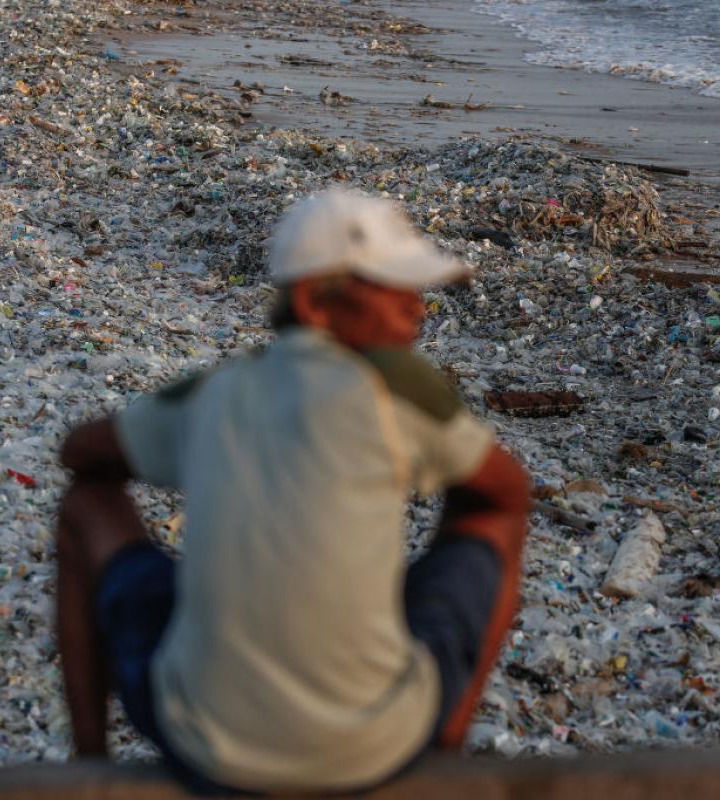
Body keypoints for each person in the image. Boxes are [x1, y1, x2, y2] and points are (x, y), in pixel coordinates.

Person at [54, 188, 530, 795]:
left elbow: (80, 453)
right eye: (395, 291)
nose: (416, 310)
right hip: (374, 749)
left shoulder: (217, 390)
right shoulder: (396, 384)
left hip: (200, 741)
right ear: (314, 302)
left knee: (85, 504)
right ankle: (445, 746)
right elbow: (509, 493)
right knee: (493, 517)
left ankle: (89, 764)